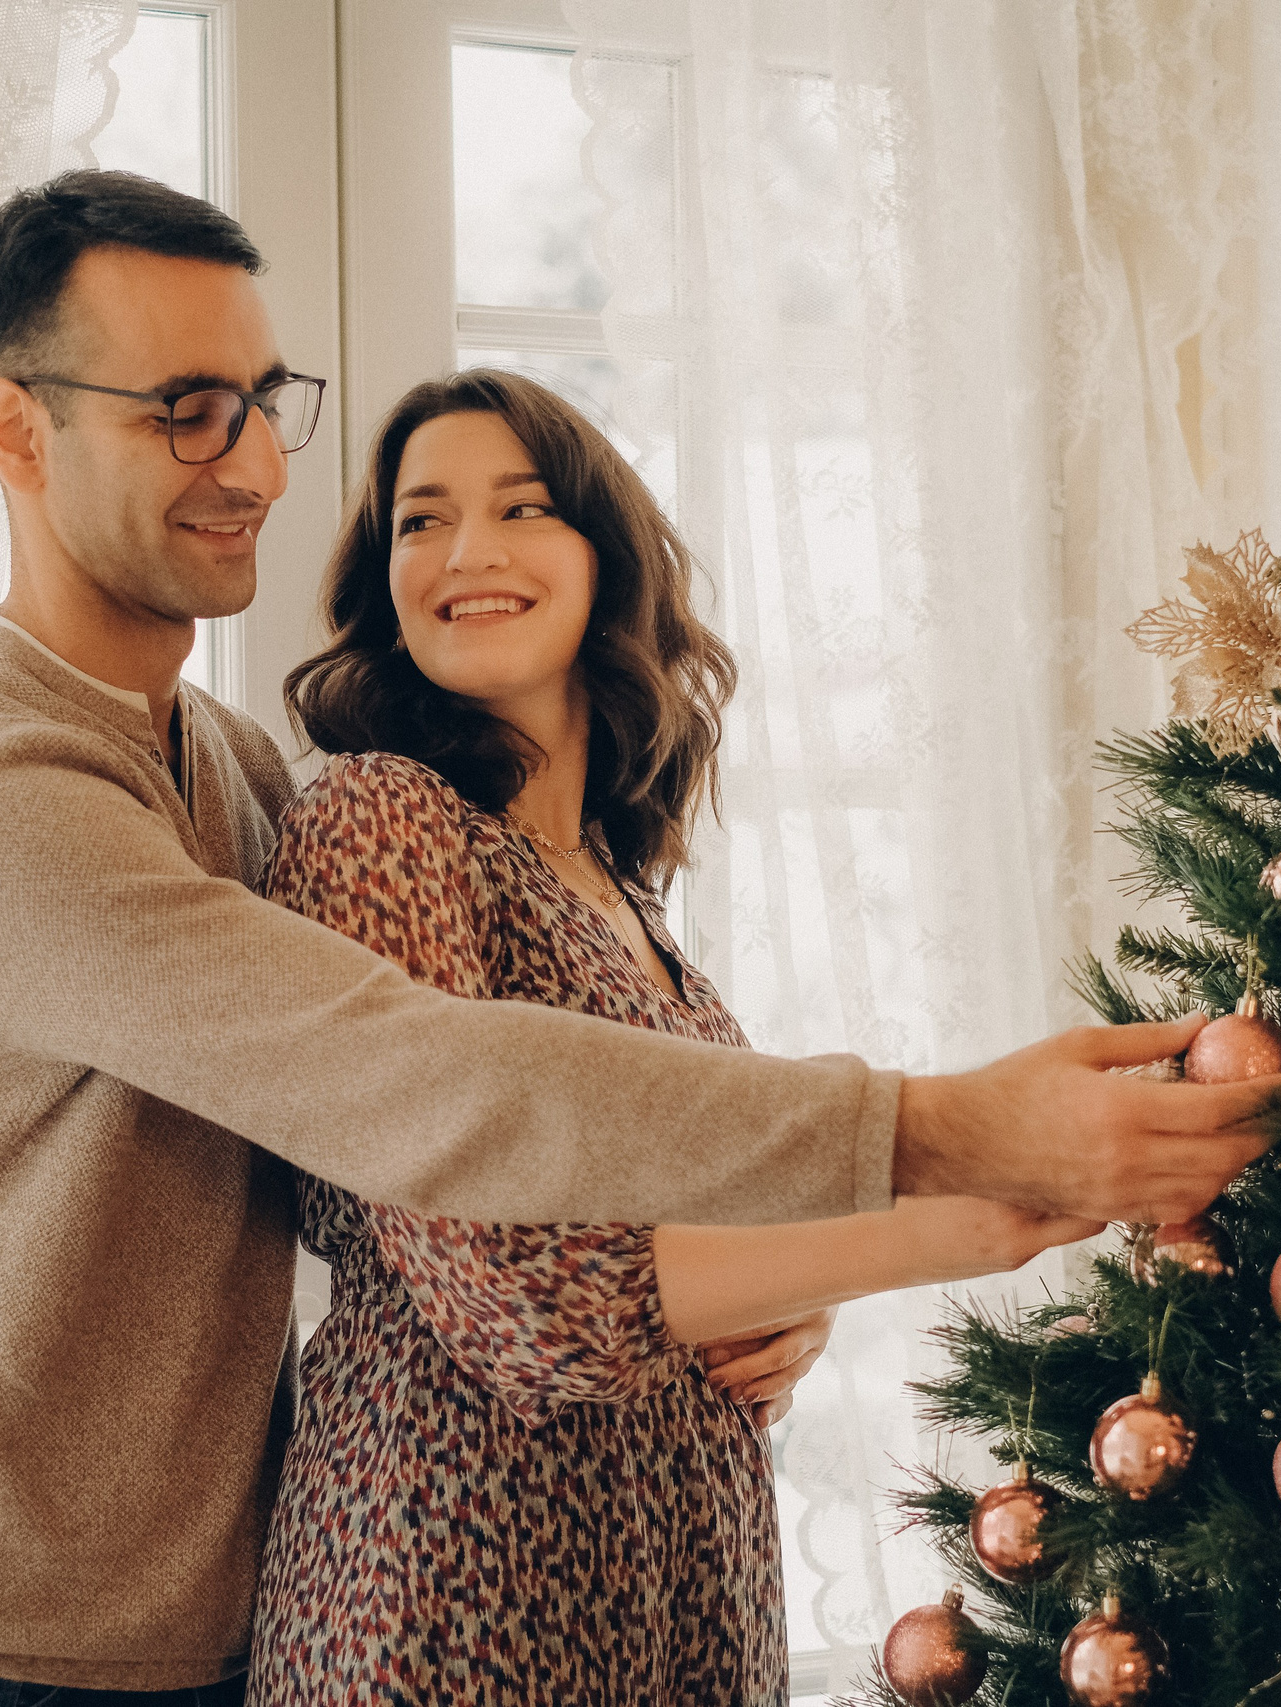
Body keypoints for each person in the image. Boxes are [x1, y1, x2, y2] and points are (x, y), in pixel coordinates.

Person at [0, 170, 1281, 1707]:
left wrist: (784, 1272)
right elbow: (423, 1084)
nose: (256, 464)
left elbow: (584, 1177)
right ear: (16, 431)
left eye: (262, 401)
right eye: (183, 409)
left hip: (195, 1627)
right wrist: (946, 1137)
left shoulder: (222, 763)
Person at [248, 370, 1117, 1702]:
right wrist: (955, 1214)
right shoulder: (380, 818)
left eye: (521, 507)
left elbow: (691, 1222)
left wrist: (795, 1298)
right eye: (420, 521)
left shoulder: (626, 891)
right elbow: (519, 1295)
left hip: (683, 1591)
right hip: (445, 1597)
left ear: (610, 560)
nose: (466, 550)